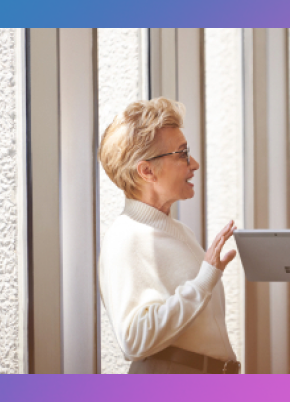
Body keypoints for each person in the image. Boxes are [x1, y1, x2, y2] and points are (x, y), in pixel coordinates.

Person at [98, 97, 240, 374]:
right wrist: (203, 282)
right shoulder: (126, 238)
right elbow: (134, 341)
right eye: (182, 154)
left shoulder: (177, 231)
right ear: (147, 171)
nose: (195, 164)